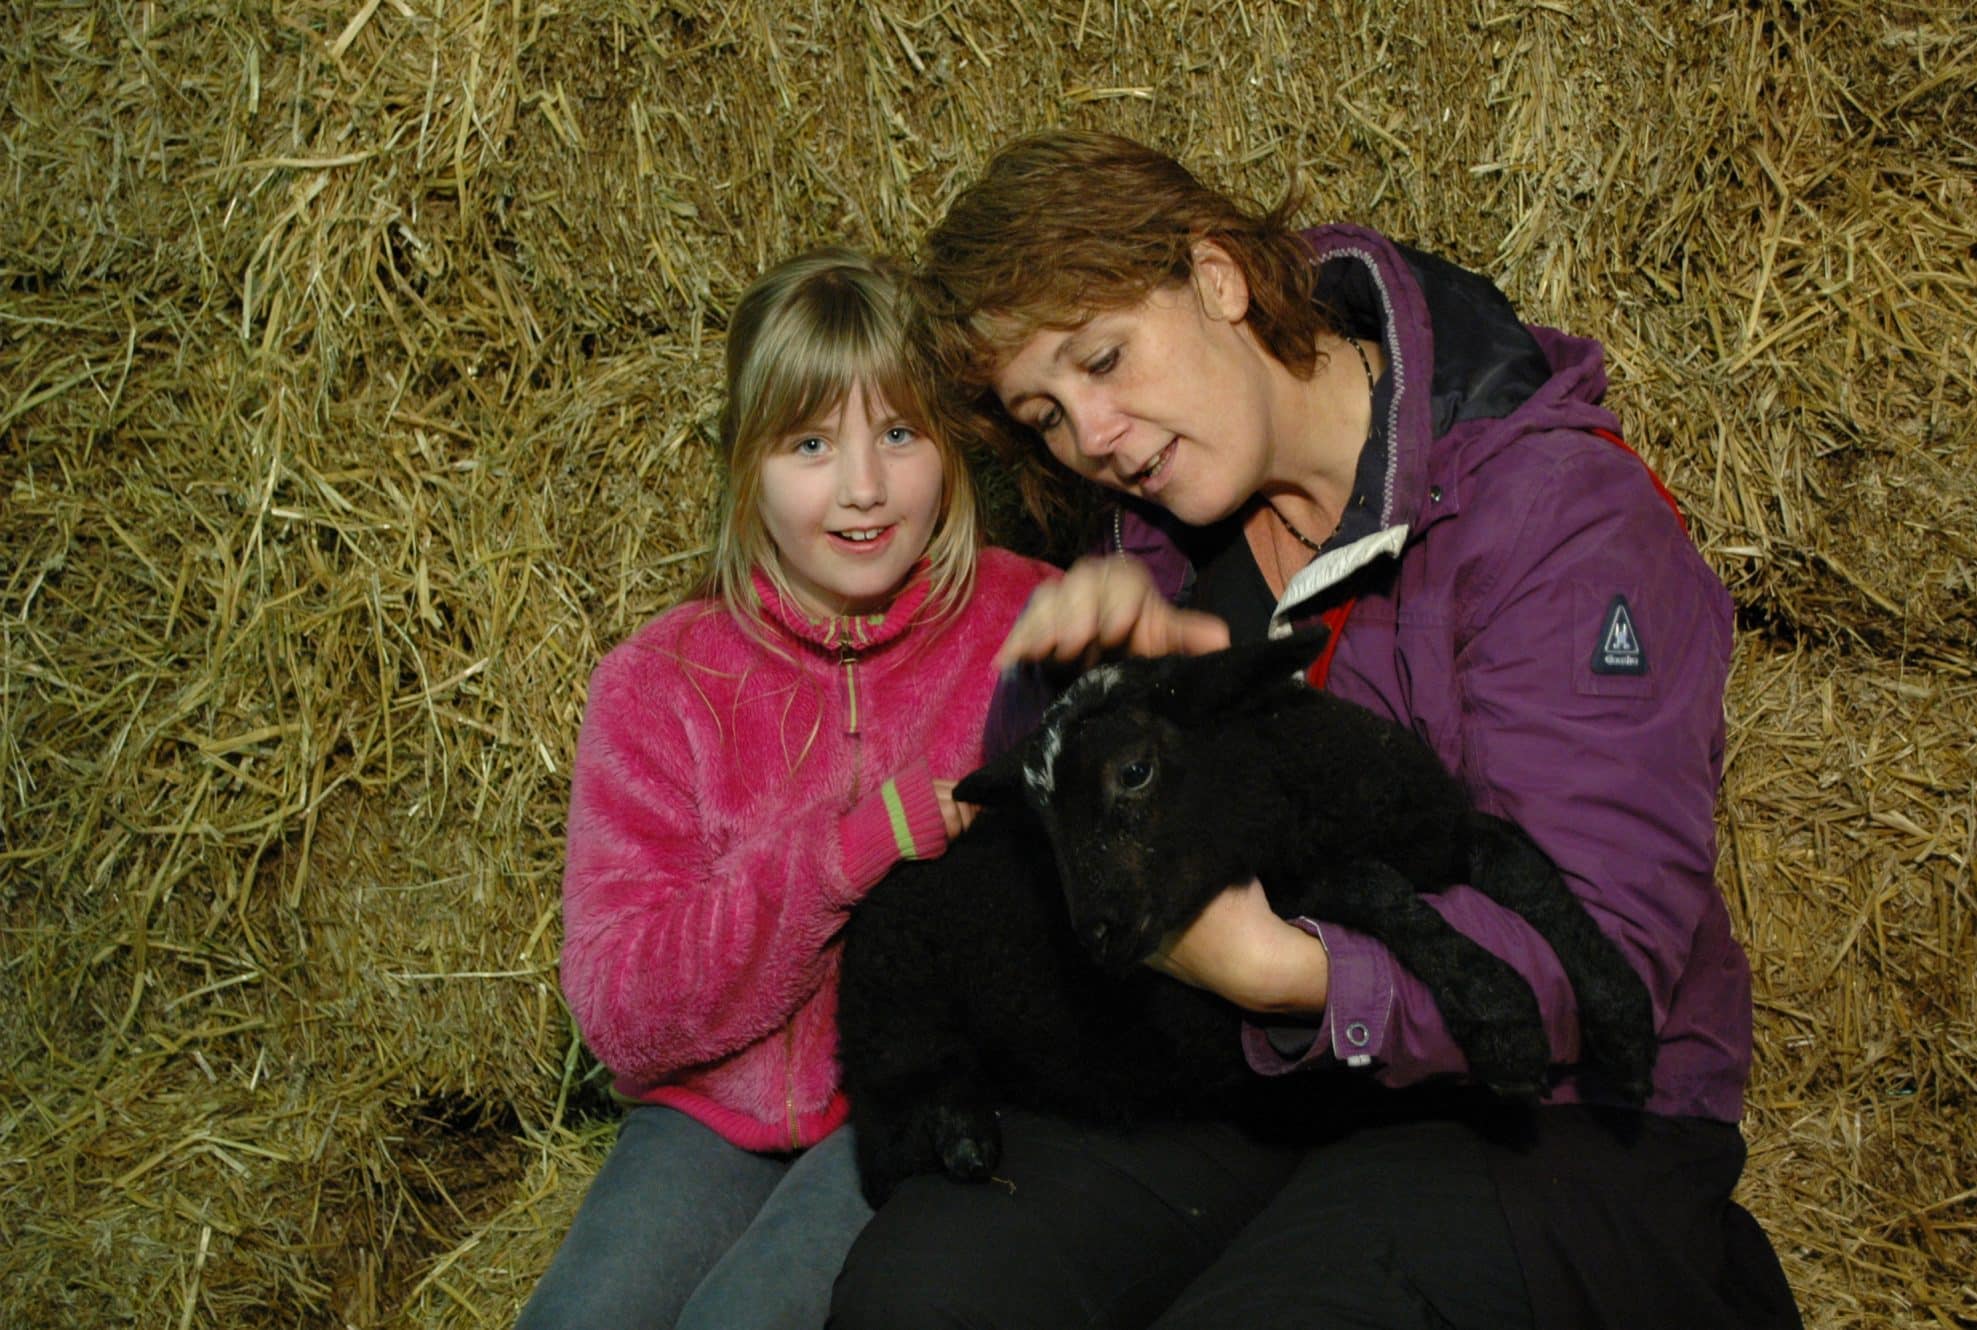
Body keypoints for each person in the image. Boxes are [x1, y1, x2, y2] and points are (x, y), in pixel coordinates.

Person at [828, 132, 1803, 1330]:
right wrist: (1065, 689)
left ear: (1218, 277)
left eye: (1103, 358)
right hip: (1250, 1073)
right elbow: (1066, 842)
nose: (1093, 436)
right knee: (921, 1298)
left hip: (1541, 1103)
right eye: (1046, 414)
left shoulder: (1550, 517)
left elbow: (1600, 940)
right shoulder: (1151, 531)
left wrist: (1289, 973)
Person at [514, 248, 1055, 1330]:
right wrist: (845, 853)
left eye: (898, 434)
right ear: (744, 465)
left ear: (948, 447)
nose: (863, 488)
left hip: (912, 1098)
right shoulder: (660, 684)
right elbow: (621, 1013)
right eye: (810, 443)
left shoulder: (1030, 628)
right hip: (708, 1115)